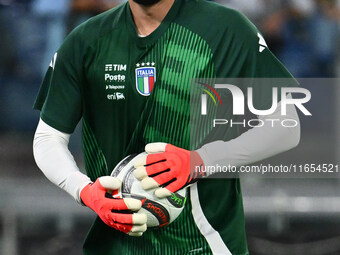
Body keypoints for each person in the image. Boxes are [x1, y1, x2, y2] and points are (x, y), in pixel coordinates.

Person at [33, 0, 301, 254]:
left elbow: (287, 125)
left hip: (208, 246)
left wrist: (200, 160)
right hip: (115, 247)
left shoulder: (227, 29)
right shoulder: (85, 41)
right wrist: (85, 191)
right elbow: (48, 137)